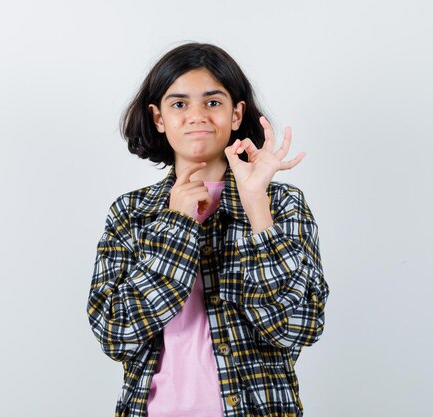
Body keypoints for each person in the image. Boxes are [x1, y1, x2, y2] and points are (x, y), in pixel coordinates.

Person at [86, 42, 329, 417]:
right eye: (179, 104)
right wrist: (177, 225)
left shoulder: (281, 204)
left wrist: (255, 206)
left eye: (213, 102)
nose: (197, 115)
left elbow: (296, 328)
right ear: (158, 118)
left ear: (236, 114)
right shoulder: (131, 213)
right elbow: (116, 333)